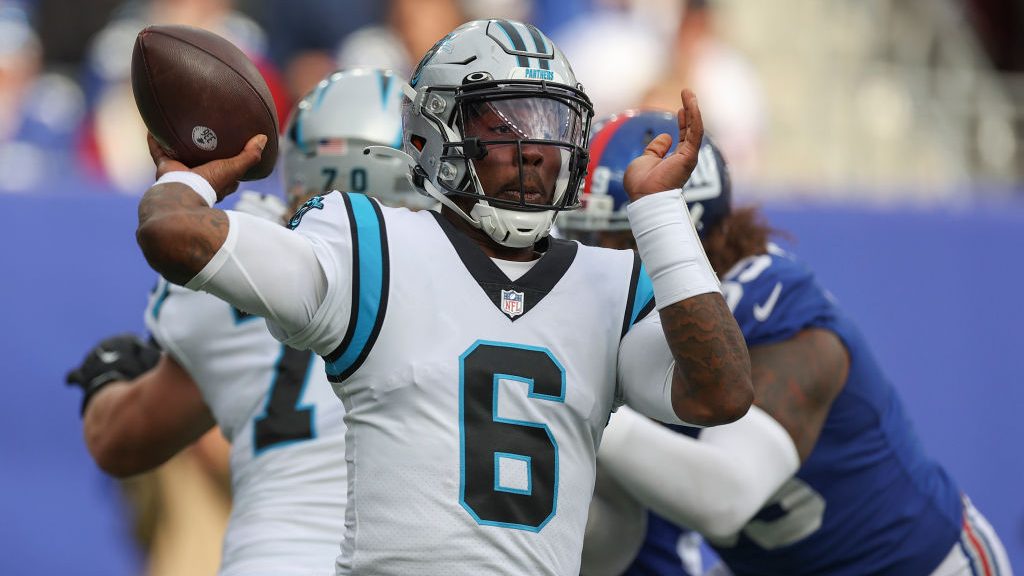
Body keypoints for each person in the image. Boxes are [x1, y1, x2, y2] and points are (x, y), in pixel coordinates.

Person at [133, 19, 753, 576]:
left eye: (552, 121)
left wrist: (661, 215)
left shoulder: (610, 281)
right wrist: (194, 176)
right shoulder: (368, 244)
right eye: (506, 121)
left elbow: (721, 394)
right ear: (435, 131)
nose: (535, 146)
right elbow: (174, 235)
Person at [566, 110, 1013, 576]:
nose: (586, 258)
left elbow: (727, 497)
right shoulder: (631, 326)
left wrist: (578, 404)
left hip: (914, 565)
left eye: (601, 238)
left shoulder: (777, 314)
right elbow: (623, 541)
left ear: (677, 224)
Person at [66, 68, 422, 576]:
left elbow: (119, 439)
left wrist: (108, 377)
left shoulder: (241, 262)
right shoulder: (454, 273)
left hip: (271, 558)